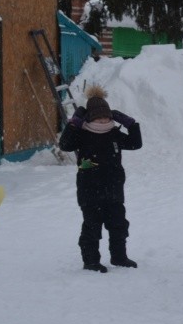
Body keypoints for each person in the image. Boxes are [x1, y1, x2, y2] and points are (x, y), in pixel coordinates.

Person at [59, 85, 142, 272]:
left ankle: (119, 257)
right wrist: (73, 124)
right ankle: (91, 261)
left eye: (106, 116)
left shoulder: (113, 133)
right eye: (98, 116)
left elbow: (135, 144)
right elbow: (65, 145)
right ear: (90, 117)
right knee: (92, 227)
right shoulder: (82, 134)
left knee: (118, 224)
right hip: (89, 192)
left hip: (114, 190)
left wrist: (132, 124)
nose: (103, 120)